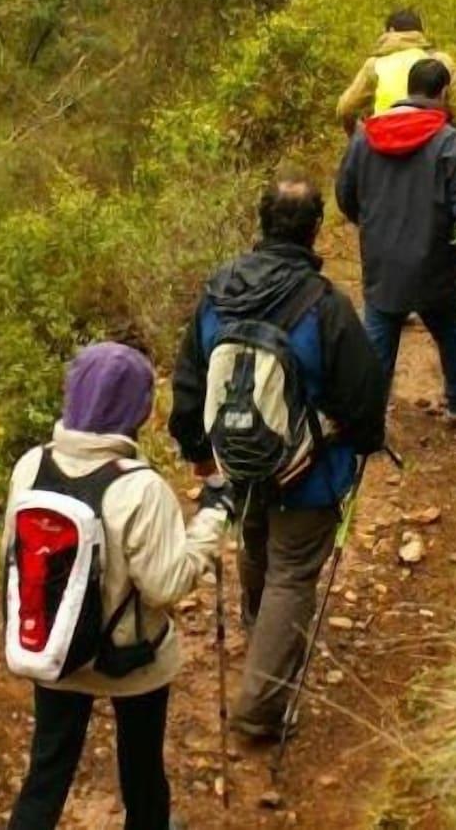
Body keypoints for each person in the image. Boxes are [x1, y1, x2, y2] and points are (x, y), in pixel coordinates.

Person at [170, 176, 386, 742]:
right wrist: (362, 442)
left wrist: (198, 451)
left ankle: (256, 623)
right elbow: (364, 390)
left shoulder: (217, 292)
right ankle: (260, 709)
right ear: (315, 228)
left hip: (239, 458)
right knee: (293, 571)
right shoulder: (325, 304)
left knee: (255, 539)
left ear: (261, 223)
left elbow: (189, 377)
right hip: (308, 471)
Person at [6, 342, 227, 830]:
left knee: (46, 772)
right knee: (143, 770)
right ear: (143, 411)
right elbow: (166, 586)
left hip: (55, 649)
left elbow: (14, 558)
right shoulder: (140, 487)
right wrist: (213, 519)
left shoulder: (30, 466)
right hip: (131, 660)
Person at [335, 58, 456, 419]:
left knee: (378, 339)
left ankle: (368, 417)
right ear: (441, 93)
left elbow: (345, 195)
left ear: (409, 90)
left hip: (382, 264)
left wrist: (372, 226)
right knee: (450, 327)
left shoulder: (365, 137)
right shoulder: (449, 143)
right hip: (436, 263)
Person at [334, 8, 456, 136]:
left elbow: (345, 109)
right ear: (420, 33)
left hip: (384, 144)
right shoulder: (441, 61)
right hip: (430, 141)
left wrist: (357, 136)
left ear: (390, 31)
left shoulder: (374, 65)